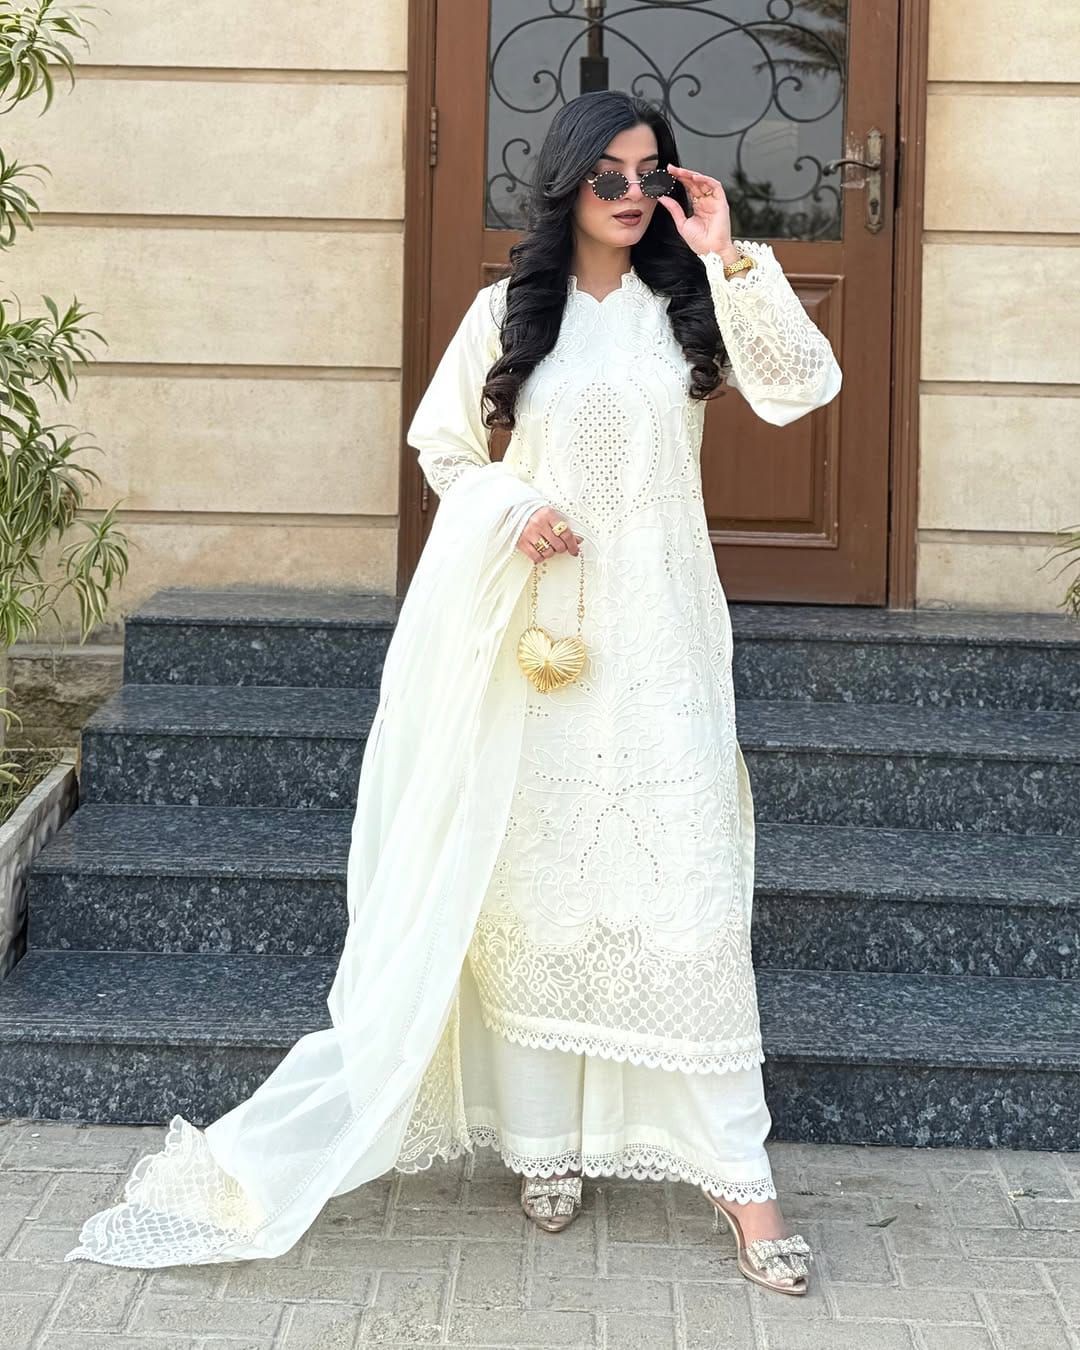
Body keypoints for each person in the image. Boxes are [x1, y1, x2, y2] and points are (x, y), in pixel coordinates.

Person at [64, 91, 840, 1298]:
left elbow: (803, 385)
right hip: (535, 643)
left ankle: (744, 1185)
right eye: (610, 176)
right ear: (568, 184)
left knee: (687, 892)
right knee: (533, 883)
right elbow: (444, 452)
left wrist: (727, 251)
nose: (633, 195)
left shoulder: (692, 304)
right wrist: (511, 509)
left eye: (652, 174)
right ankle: (543, 1146)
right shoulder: (504, 316)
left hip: (662, 641)